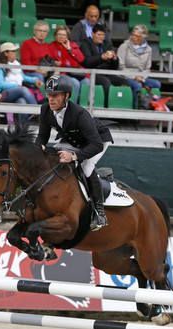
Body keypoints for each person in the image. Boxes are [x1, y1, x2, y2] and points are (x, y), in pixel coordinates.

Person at [35, 74, 114, 230]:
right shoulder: (45, 109)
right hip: (74, 141)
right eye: (49, 95)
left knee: (86, 167)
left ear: (67, 96)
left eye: (55, 95)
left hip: (97, 141)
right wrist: (38, 147)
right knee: (52, 155)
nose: (51, 99)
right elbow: (42, 136)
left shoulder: (79, 113)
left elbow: (96, 145)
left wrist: (74, 156)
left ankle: (99, 213)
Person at [0, 42, 44, 123]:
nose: (16, 53)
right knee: (23, 89)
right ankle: (38, 112)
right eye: (13, 51)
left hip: (14, 92)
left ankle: (22, 130)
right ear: (6, 53)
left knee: (22, 102)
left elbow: (23, 77)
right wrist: (17, 86)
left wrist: (34, 80)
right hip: (0, 94)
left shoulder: (17, 63)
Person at [79, 23, 128, 106]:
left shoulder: (107, 44)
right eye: (99, 35)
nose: (101, 37)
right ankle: (105, 107)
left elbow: (114, 68)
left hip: (106, 72)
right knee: (105, 82)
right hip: (91, 73)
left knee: (125, 82)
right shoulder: (85, 43)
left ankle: (122, 106)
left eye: (103, 35)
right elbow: (86, 62)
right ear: (93, 34)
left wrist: (115, 59)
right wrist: (101, 58)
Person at [116, 24, 161, 109]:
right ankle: (134, 110)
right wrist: (134, 77)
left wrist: (142, 78)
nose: (134, 38)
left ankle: (149, 107)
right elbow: (121, 67)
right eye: (133, 35)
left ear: (143, 38)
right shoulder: (124, 46)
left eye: (137, 36)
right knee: (137, 85)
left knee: (156, 84)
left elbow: (147, 68)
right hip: (126, 76)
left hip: (140, 77)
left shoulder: (148, 49)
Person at [47, 25, 90, 103]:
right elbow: (49, 60)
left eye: (63, 35)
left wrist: (69, 49)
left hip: (75, 71)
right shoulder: (51, 46)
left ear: (67, 36)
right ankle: (73, 107)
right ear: (55, 36)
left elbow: (81, 59)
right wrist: (55, 63)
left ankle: (83, 107)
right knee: (75, 83)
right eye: (59, 34)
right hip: (62, 72)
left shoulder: (72, 45)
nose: (61, 36)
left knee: (87, 82)